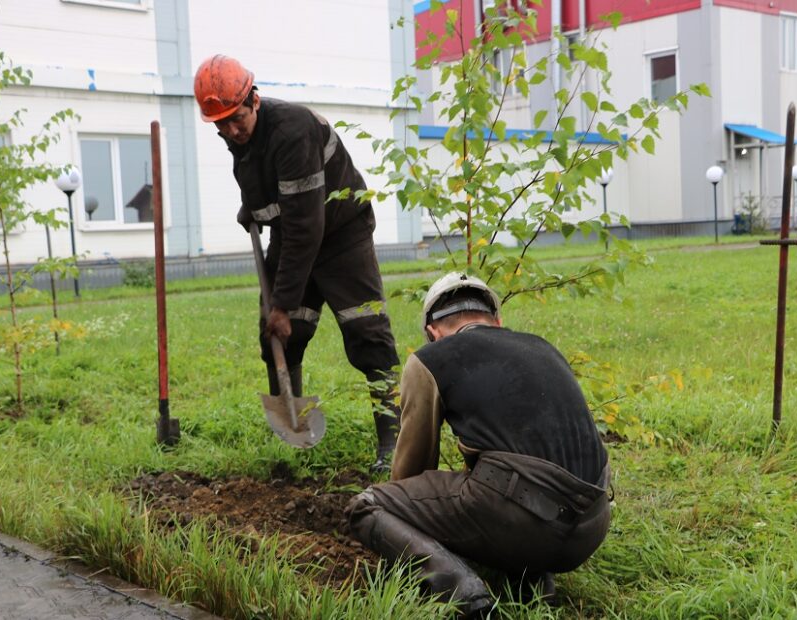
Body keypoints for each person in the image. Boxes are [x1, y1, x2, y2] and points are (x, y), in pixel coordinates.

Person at [347, 272, 612, 617]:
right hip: (591, 525)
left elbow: (412, 469)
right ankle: (532, 586)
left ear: (432, 332)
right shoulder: (543, 347)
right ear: (498, 321)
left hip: (526, 520)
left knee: (368, 505)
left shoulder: (432, 358)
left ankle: (464, 596)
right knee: (513, 480)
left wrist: (401, 537)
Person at [193, 54, 401, 469]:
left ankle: (393, 439)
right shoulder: (239, 137)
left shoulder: (292, 129)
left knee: (367, 334)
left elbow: (307, 224)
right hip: (295, 234)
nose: (232, 131)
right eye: (222, 124)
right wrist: (251, 207)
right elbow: (270, 185)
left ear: (254, 99)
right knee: (277, 337)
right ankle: (294, 423)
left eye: (237, 118)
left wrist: (284, 303)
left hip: (341, 236)